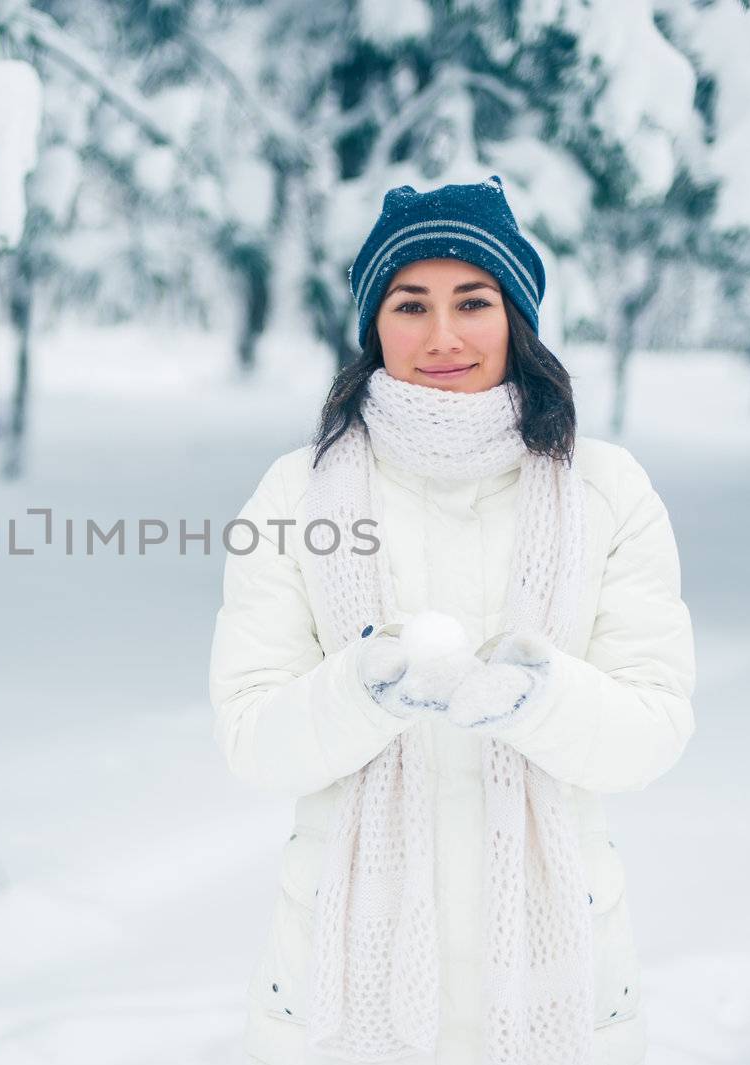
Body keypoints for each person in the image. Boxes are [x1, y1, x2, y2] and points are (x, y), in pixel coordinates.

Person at [208, 177, 697, 1065]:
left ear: (516, 314)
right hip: (341, 984)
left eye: (473, 301)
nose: (442, 336)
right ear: (373, 324)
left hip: (558, 985)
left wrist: (538, 696)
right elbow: (251, 738)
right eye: (410, 304)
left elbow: (651, 730)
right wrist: (364, 687)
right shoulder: (296, 495)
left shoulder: (607, 492)